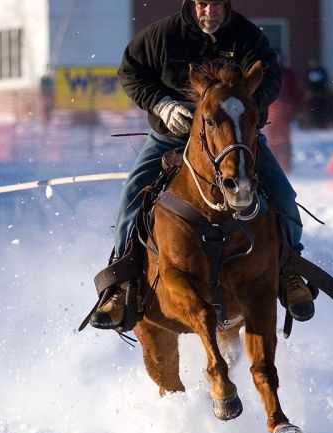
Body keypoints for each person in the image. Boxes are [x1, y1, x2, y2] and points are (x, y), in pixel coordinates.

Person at [88, 0, 315, 330]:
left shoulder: (247, 37)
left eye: (216, 5)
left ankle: (290, 272)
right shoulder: (161, 37)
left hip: (232, 138)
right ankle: (122, 283)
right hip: (173, 135)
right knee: (133, 195)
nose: (209, 12)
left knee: (282, 193)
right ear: (190, 5)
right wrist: (161, 104)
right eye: (202, 5)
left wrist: (245, 107)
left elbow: (270, 77)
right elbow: (130, 72)